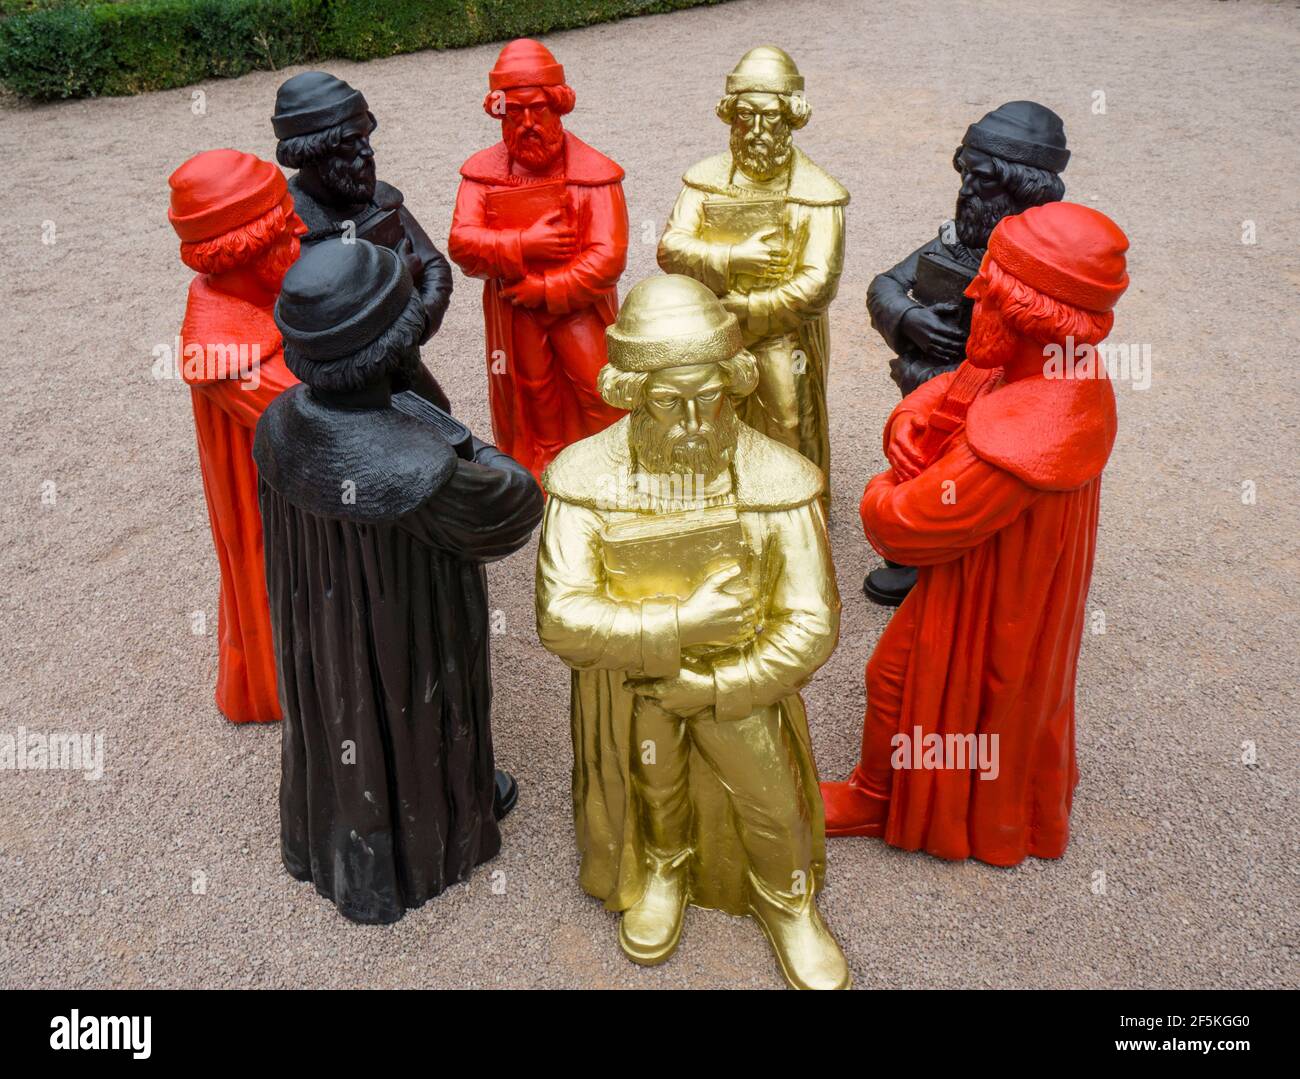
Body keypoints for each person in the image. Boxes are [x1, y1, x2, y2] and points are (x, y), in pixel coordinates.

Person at [536, 274, 848, 989]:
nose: (697, 423)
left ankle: (787, 900)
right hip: (634, 682)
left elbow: (810, 623)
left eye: (712, 398)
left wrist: (713, 684)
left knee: (769, 798)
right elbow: (560, 616)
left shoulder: (779, 481)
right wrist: (681, 624)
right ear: (632, 394)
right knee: (656, 781)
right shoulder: (585, 478)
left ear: (734, 383)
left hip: (739, 686)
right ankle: (663, 867)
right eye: (671, 402)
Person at [821, 202, 1130, 868]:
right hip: (1006, 572)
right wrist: (908, 417)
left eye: (986, 290)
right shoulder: (1041, 364)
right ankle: (942, 795)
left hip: (991, 593)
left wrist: (878, 492)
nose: (971, 294)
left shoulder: (1025, 435)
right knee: (986, 696)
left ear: (1026, 312)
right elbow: (962, 386)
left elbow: (909, 529)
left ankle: (882, 798)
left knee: (903, 676)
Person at [254, 239, 543, 923]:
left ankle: (333, 834)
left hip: (320, 618)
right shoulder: (418, 466)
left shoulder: (278, 425)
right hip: (406, 620)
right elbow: (514, 503)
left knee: (336, 704)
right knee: (410, 703)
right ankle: (434, 833)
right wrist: (466, 440)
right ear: (398, 343)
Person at [864, 101, 1069, 604]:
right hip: (924, 387)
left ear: (1021, 187)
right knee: (913, 461)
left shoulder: (1045, 260)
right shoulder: (957, 240)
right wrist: (909, 317)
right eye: (964, 176)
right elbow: (886, 283)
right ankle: (909, 550)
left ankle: (960, 557)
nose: (966, 191)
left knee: (965, 482)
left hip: (989, 406)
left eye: (981, 180)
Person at [658, 46, 847, 482]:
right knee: (695, 420)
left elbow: (816, 286)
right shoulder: (703, 181)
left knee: (789, 423)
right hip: (709, 334)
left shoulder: (818, 194)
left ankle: (791, 507)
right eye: (746, 116)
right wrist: (733, 257)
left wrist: (741, 311)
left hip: (780, 335)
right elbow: (670, 248)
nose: (757, 130)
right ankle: (717, 502)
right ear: (731, 116)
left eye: (770, 117)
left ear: (790, 118)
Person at [449, 38, 627, 479]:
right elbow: (462, 244)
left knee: (598, 387)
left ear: (558, 108)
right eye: (514, 113)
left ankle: (613, 465)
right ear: (499, 113)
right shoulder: (481, 174)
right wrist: (524, 245)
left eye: (538, 110)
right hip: (515, 312)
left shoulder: (595, 175)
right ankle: (547, 467)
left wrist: (546, 288)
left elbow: (608, 258)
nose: (527, 123)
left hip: (576, 309)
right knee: (532, 392)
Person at [167, 149, 304, 724]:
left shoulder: (259, 293)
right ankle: (276, 687)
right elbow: (303, 413)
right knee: (270, 574)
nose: (300, 227)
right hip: (265, 491)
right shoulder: (222, 345)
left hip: (287, 479)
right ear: (247, 246)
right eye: (282, 225)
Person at [273, 70, 454, 410]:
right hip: (341, 398)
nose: (367, 153)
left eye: (366, 138)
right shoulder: (289, 231)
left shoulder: (381, 200)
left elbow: (435, 268)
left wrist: (409, 331)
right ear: (311, 153)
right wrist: (400, 277)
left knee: (442, 420)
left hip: (404, 373)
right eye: (350, 143)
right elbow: (323, 327)